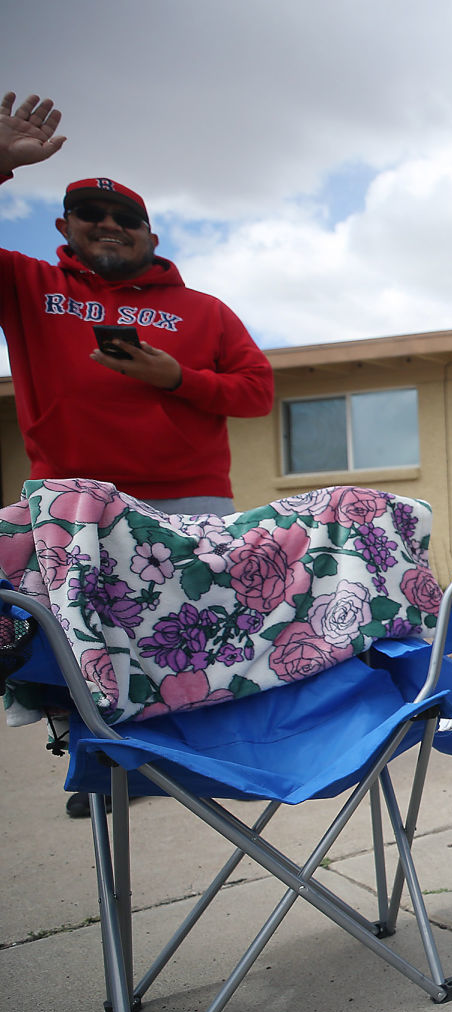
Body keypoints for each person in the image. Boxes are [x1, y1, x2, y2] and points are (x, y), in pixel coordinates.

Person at [0, 92, 275, 816]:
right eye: (92, 215)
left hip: (187, 497)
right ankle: (98, 766)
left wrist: (176, 377)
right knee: (81, 641)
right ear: (65, 227)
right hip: (71, 501)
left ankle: (185, 760)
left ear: (150, 232)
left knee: (187, 635)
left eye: (128, 218)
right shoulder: (32, 286)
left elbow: (256, 393)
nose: (111, 226)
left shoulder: (204, 311)